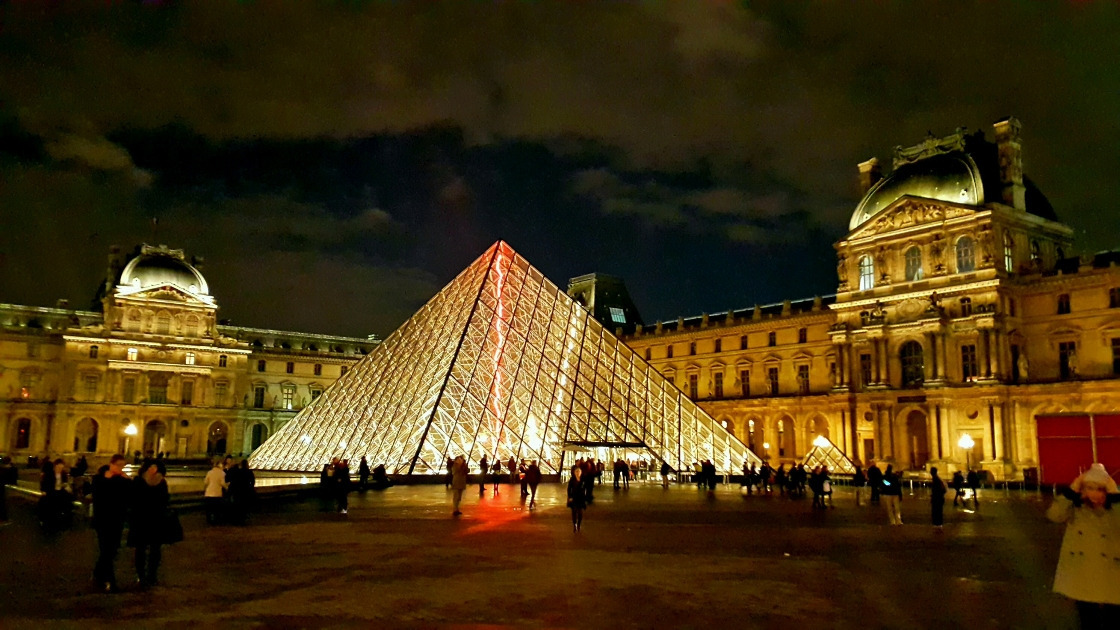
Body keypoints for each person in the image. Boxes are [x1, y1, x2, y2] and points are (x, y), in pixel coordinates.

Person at [1046, 463, 1120, 628]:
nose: (1094, 494)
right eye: (1090, 488)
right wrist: (1072, 490)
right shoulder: (1075, 507)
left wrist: (1115, 497)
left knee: (1113, 620)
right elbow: (1054, 515)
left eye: (1099, 489)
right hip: (1083, 574)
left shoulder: (1115, 507)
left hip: (1113, 573)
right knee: (1088, 620)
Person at [92, 454, 131, 593]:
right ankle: (110, 580)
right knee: (106, 549)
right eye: (119, 465)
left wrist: (127, 481)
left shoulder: (122, 480)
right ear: (112, 464)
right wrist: (107, 481)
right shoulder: (99, 478)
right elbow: (99, 498)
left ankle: (98, 572)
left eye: (123, 466)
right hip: (103, 520)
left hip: (117, 520)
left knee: (112, 549)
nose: (121, 468)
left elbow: (128, 497)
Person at [128, 461, 170, 588]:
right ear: (146, 468)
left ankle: (152, 574)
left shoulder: (162, 482)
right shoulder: (138, 481)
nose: (153, 469)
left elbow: (165, 499)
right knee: (140, 549)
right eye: (150, 466)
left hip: (156, 519)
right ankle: (141, 575)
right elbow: (133, 498)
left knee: (155, 549)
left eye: (155, 466)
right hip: (141, 519)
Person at [228, 459, 256, 525]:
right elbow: (253, 482)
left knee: (238, 505)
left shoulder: (238, 471)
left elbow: (234, 481)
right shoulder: (249, 472)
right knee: (244, 505)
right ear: (247, 464)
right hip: (246, 491)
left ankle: (238, 519)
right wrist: (250, 487)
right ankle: (243, 519)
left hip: (238, 491)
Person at [203, 459, 227, 525]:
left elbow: (206, 482)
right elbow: (223, 483)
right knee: (216, 509)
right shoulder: (222, 473)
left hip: (208, 493)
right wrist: (227, 488)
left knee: (209, 509)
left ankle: (209, 520)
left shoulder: (209, 472)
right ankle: (216, 521)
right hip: (217, 493)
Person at [567, 465, 587, 532]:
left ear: (581, 472)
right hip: (574, 498)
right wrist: (570, 497)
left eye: (579, 471)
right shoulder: (572, 479)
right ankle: (575, 524)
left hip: (581, 498)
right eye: (576, 471)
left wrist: (585, 496)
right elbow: (569, 489)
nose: (578, 473)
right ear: (574, 472)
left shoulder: (583, 479)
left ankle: (579, 524)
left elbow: (585, 488)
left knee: (580, 513)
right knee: (574, 512)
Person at [930, 467, 947, 531]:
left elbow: (937, 490)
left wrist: (934, 495)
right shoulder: (938, 479)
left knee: (936, 512)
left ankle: (938, 525)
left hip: (937, 499)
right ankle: (938, 524)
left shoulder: (936, 479)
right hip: (939, 498)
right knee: (938, 512)